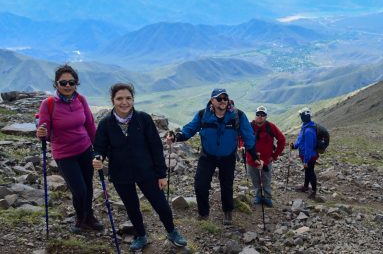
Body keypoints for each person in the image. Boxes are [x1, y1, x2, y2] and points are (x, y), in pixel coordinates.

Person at [92, 83, 187, 251]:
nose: (124, 102)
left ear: (133, 99)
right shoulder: (106, 123)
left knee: (161, 205)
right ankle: (141, 235)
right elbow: (99, 147)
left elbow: (155, 147)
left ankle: (172, 232)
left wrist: (161, 174)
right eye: (119, 98)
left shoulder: (143, 119)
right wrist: (98, 157)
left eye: (128, 98)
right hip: (121, 174)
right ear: (112, 100)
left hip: (147, 171)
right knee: (131, 206)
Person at [168, 88, 261, 225]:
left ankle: (228, 211)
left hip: (228, 156)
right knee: (200, 185)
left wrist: (254, 156)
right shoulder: (203, 115)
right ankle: (204, 213)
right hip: (207, 156)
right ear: (212, 101)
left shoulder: (237, 115)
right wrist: (177, 137)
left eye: (225, 98)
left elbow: (248, 136)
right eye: (219, 98)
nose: (223, 101)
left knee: (227, 185)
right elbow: (190, 129)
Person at [36, 64, 103, 233]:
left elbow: (89, 125)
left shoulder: (81, 100)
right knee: (79, 189)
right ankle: (80, 217)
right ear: (56, 84)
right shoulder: (48, 104)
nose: (67, 86)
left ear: (76, 84)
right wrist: (41, 133)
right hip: (64, 154)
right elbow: (46, 132)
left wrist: (98, 148)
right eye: (63, 83)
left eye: (71, 82)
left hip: (85, 149)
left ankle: (89, 216)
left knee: (87, 186)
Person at [240, 106, 286, 207]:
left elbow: (282, 140)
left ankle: (267, 198)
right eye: (258, 114)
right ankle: (258, 196)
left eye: (263, 115)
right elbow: (241, 137)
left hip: (266, 160)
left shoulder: (271, 127)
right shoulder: (249, 126)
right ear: (255, 115)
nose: (260, 117)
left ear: (266, 117)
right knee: (255, 179)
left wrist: (274, 156)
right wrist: (242, 146)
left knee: (266, 180)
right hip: (251, 159)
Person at [290, 107, 320, 200]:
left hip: (309, 156)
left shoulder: (308, 131)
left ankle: (314, 192)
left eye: (302, 116)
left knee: (310, 172)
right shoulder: (305, 126)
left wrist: (306, 161)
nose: (301, 118)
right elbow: (300, 140)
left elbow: (308, 148)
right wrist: (294, 146)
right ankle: (306, 186)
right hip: (306, 155)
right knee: (307, 171)